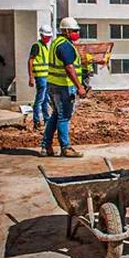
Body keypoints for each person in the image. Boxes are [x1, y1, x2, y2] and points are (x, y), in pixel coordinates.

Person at [41, 17, 87, 157]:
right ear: (66, 31)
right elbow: (69, 67)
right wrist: (79, 86)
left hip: (53, 85)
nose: (76, 33)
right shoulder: (65, 46)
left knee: (56, 115)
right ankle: (65, 148)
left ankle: (46, 146)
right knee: (64, 117)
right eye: (74, 31)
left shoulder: (56, 43)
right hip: (63, 87)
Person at [28, 24, 53, 129]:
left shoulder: (45, 47)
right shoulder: (37, 46)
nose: (48, 39)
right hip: (40, 76)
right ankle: (36, 120)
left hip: (46, 76)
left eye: (49, 37)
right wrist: (31, 77)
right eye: (46, 37)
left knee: (45, 99)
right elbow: (30, 61)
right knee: (40, 99)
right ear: (42, 35)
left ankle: (46, 119)